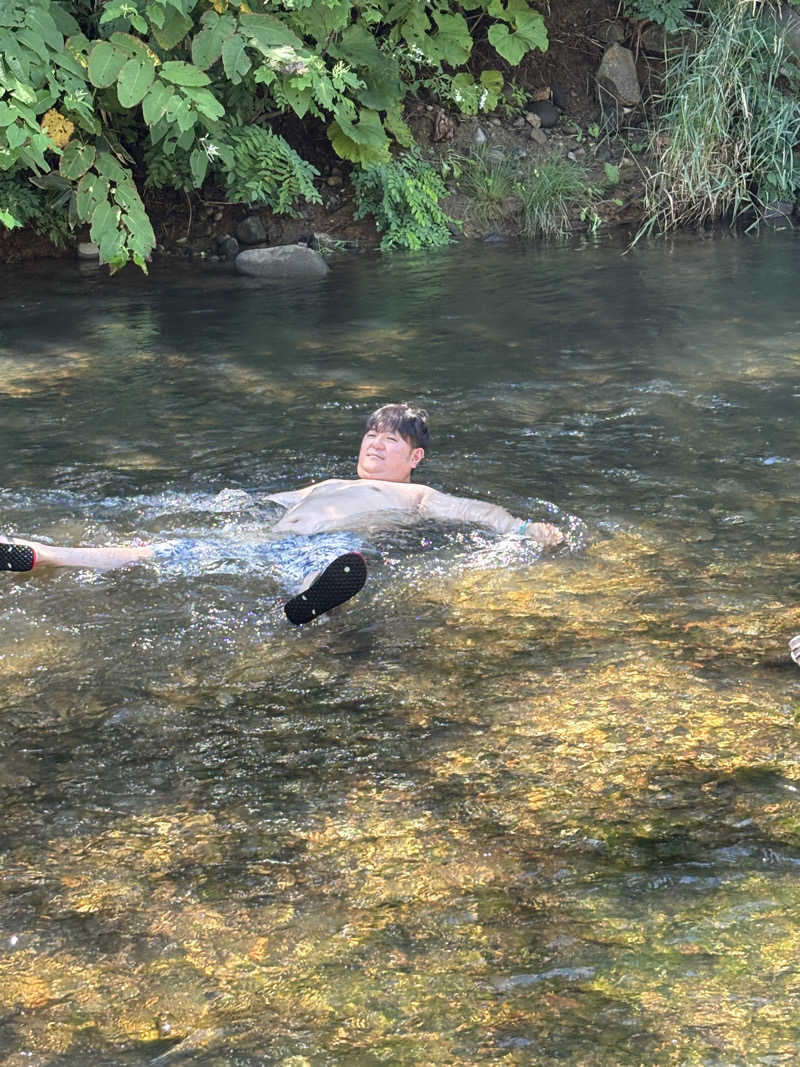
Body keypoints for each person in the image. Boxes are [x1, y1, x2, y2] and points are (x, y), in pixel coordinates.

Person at [0, 403, 563, 623]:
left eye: (390, 439)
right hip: (264, 538)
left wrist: (520, 528)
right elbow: (254, 505)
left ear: (414, 457)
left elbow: (476, 512)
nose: (376, 442)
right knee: (162, 553)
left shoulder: (417, 496)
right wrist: (216, 504)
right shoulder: (324, 482)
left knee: (331, 559)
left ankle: (306, 602)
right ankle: (45, 554)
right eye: (371, 432)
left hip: (328, 546)